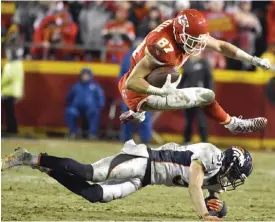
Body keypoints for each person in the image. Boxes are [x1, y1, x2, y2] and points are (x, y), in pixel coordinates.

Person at [2, 140, 253, 221]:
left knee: (94, 195)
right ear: (228, 163)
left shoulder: (219, 176)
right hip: (142, 159)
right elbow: (195, 185)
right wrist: (203, 216)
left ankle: (48, 169)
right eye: (235, 174)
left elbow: (211, 193)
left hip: (145, 179)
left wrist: (218, 208)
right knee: (91, 173)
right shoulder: (209, 153)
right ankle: (31, 158)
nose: (232, 180)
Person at [118, 9, 270, 134]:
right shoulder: (161, 47)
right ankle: (234, 124)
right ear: (180, 34)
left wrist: (253, 59)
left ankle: (136, 113)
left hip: (146, 80)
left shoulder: (184, 31)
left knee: (173, 78)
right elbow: (132, 81)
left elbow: (220, 46)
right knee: (206, 95)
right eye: (192, 41)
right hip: (138, 92)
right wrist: (160, 92)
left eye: (199, 41)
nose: (197, 46)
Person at [119, 39, 152, 144]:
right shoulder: (128, 57)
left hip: (143, 91)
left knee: (145, 116)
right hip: (131, 91)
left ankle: (145, 139)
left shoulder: (148, 57)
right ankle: (126, 138)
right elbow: (122, 75)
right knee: (127, 116)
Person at [180, 55, 214, 143]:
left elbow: (209, 79)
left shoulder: (204, 63)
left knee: (201, 120)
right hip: (188, 96)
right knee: (188, 121)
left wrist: (209, 94)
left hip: (200, 96)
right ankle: (187, 141)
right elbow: (183, 79)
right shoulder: (187, 63)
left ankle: (204, 141)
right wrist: (179, 91)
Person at [65, 68, 105, 140]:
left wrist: (99, 106)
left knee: (94, 112)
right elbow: (69, 98)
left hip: (90, 109)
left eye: (87, 75)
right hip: (76, 109)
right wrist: (70, 106)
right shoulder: (76, 86)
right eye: (84, 75)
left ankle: (92, 134)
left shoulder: (95, 87)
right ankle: (73, 132)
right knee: (70, 112)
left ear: (90, 76)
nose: (85, 76)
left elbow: (100, 98)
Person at [1, 23, 24, 136]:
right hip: (11, 91)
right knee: (9, 111)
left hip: (8, 91)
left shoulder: (12, 64)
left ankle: (12, 129)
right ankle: (12, 129)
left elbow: (6, 78)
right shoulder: (16, 64)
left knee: (9, 111)